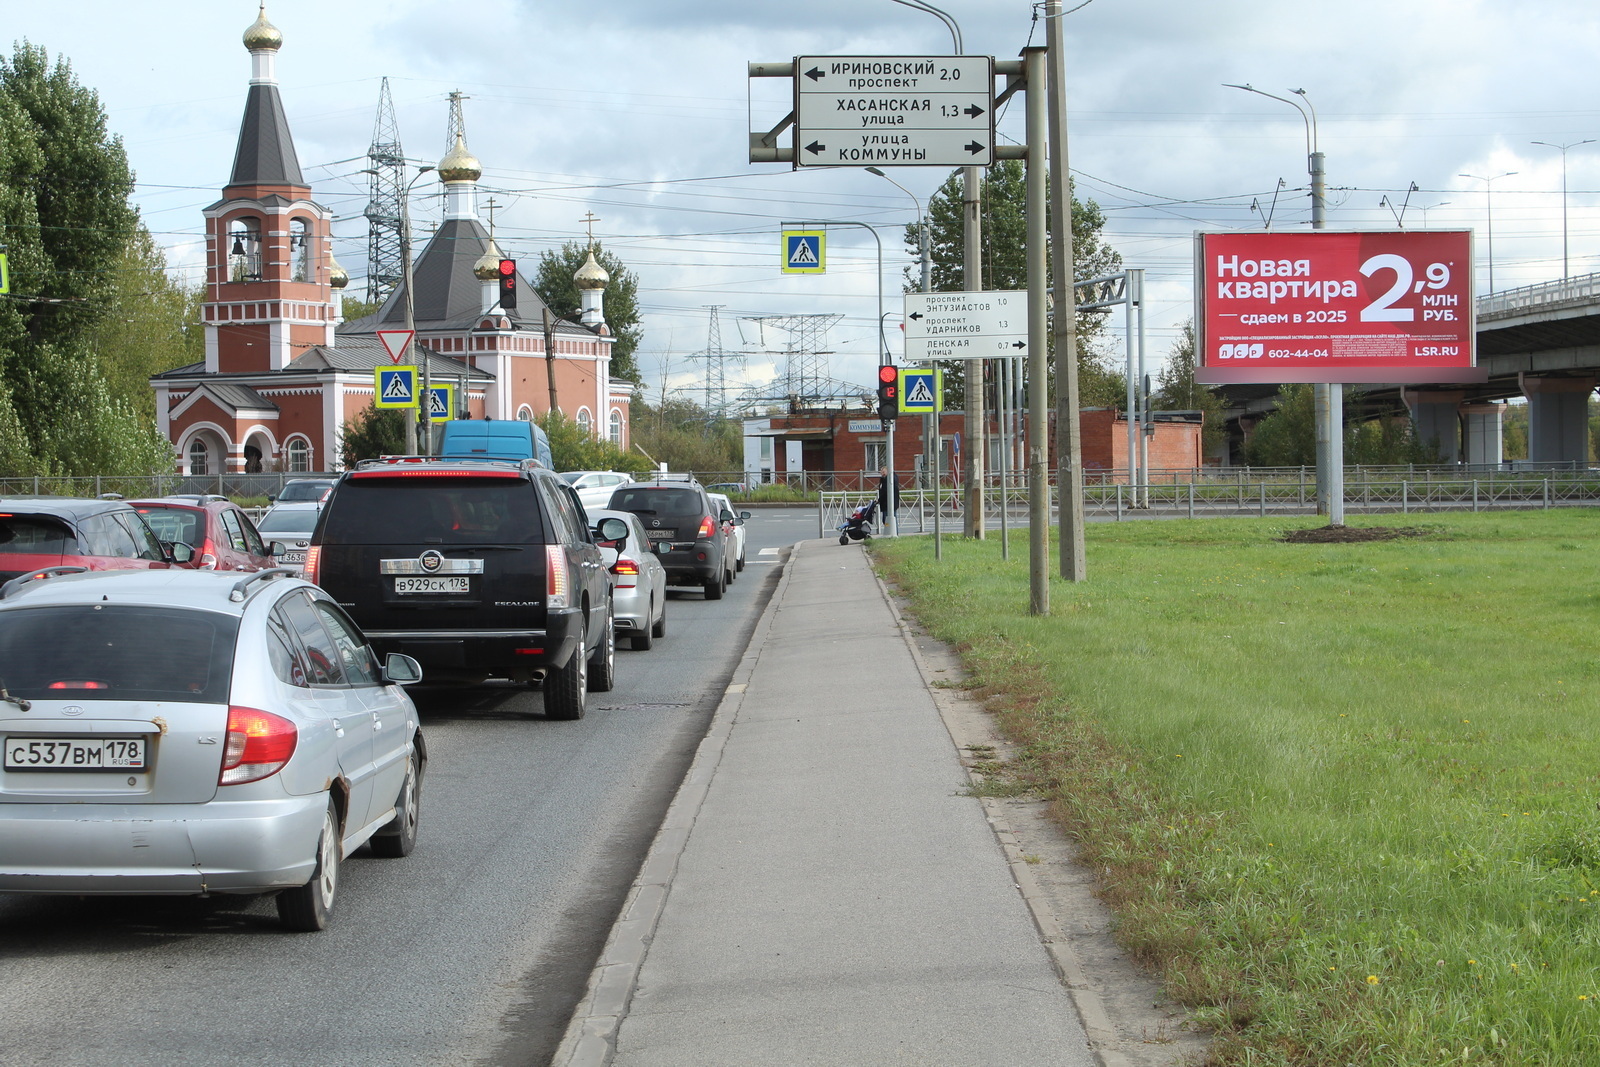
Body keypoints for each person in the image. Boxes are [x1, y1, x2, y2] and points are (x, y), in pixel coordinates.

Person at [876, 466, 900, 530]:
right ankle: (889, 531)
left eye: (883, 472)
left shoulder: (889, 479)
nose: (882, 473)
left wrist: (879, 500)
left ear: (888, 471)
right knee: (886, 519)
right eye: (881, 472)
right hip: (887, 503)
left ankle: (891, 532)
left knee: (888, 519)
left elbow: (885, 491)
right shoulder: (886, 478)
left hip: (888, 503)